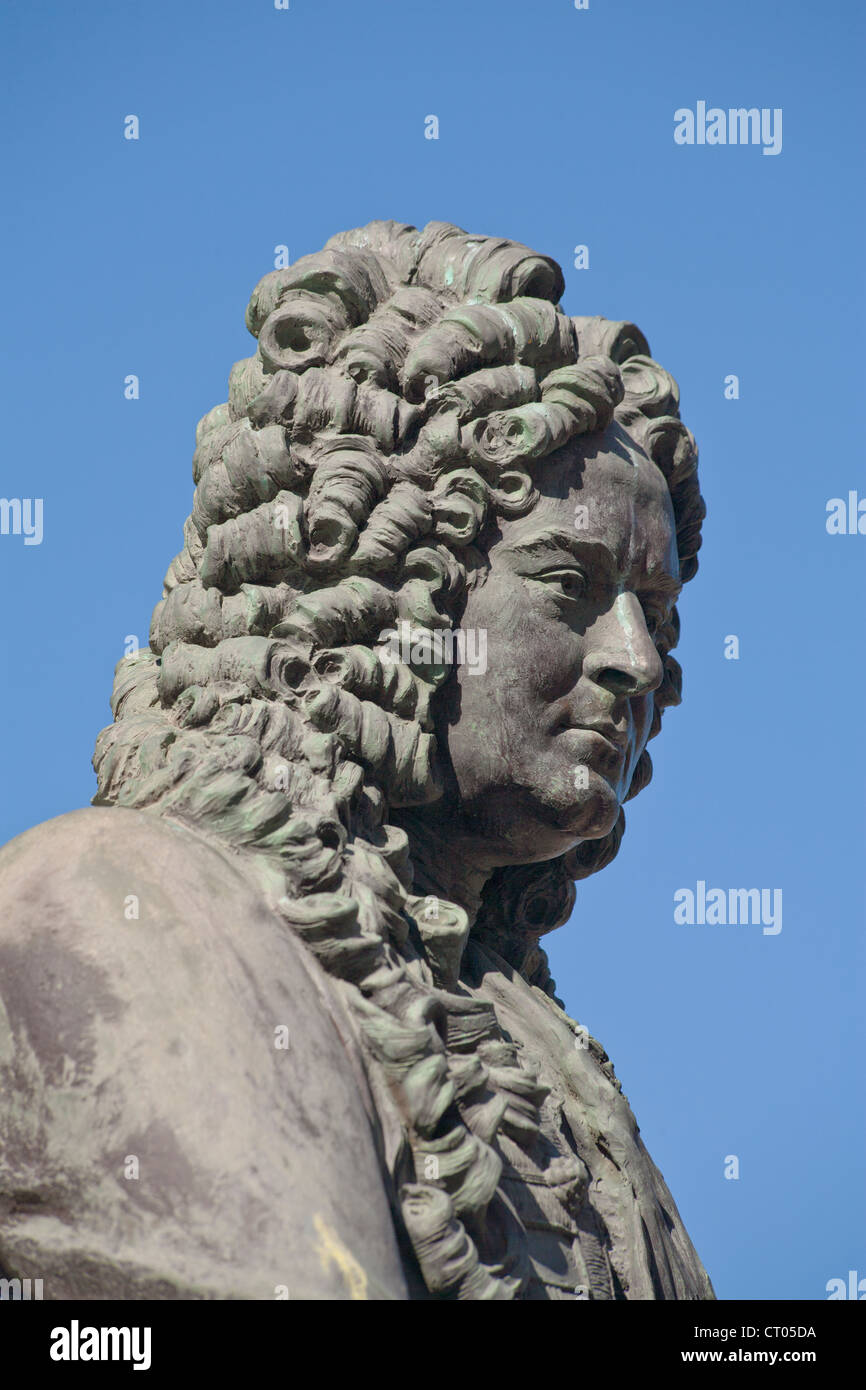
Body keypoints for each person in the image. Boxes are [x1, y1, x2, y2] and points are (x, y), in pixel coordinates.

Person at [0, 220, 712, 1300]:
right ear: (389, 596)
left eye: (653, 614)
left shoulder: (550, 1057)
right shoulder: (116, 905)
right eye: (570, 586)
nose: (637, 660)